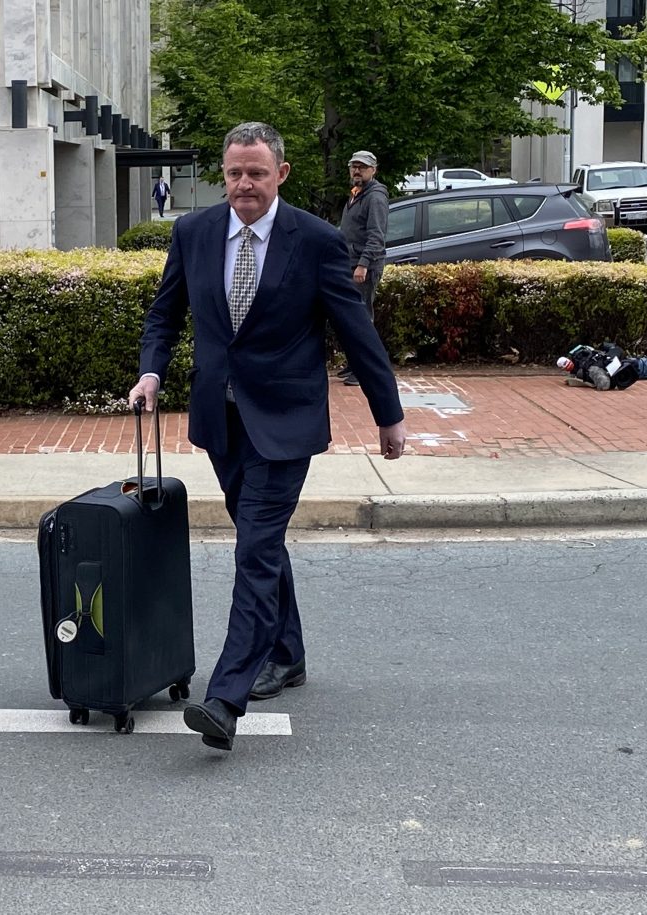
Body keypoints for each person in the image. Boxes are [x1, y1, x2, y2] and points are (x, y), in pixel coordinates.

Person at [128, 123, 407, 753]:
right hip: (220, 422)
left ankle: (227, 696)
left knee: (253, 549)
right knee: (263, 543)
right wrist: (151, 372)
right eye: (234, 173)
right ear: (222, 175)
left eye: (257, 173)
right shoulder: (194, 233)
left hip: (285, 424)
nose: (244, 184)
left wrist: (387, 413)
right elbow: (165, 313)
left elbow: (355, 331)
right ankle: (289, 653)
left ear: (280, 173)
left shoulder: (314, 240)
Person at [336, 150, 389, 387]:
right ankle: (354, 364)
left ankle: (364, 371)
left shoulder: (375, 196)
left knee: (362, 320)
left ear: (373, 170)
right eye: (354, 166)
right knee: (351, 318)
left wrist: (363, 264)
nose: (357, 170)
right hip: (350, 263)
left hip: (363, 267)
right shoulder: (356, 194)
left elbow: (376, 236)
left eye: (363, 167)